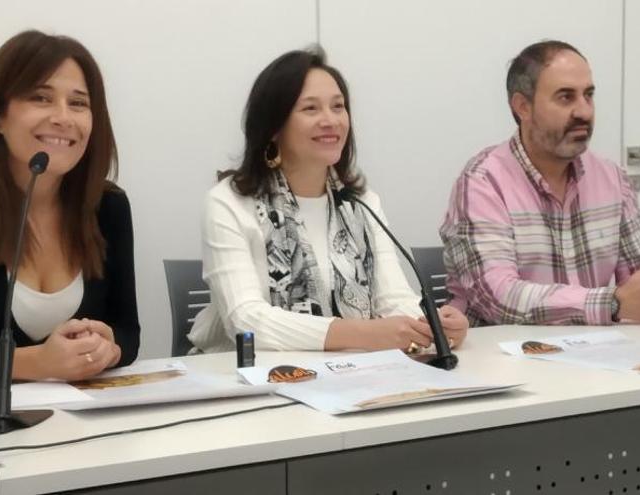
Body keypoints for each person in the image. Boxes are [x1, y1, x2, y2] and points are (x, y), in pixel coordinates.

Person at [189, 47, 468, 353]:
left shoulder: (360, 202)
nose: (331, 120)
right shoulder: (229, 203)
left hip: (350, 376)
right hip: (249, 379)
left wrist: (433, 324)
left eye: (338, 107)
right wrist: (367, 334)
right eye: (311, 109)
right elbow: (246, 321)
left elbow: (393, 300)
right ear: (273, 125)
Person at [439, 40, 640, 327]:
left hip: (597, 353)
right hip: (502, 358)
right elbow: (498, 298)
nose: (584, 111)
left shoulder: (611, 177)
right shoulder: (482, 182)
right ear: (523, 107)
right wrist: (613, 304)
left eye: (589, 95)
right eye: (566, 98)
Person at [0, 31, 140, 386]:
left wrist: (109, 348)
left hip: (77, 426)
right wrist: (34, 363)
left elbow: (127, 331)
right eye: (41, 98)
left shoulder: (108, 207)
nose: (64, 118)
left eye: (78, 103)